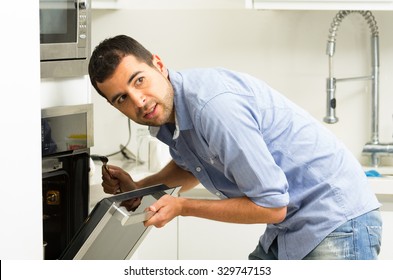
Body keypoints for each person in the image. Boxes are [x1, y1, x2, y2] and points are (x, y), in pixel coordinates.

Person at [88, 34, 382, 260]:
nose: (139, 101)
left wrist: (183, 207)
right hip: (292, 227)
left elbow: (272, 206)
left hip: (336, 221)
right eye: (121, 98)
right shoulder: (167, 111)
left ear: (159, 65)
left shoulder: (212, 108)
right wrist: (140, 187)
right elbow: (193, 168)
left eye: (139, 80)